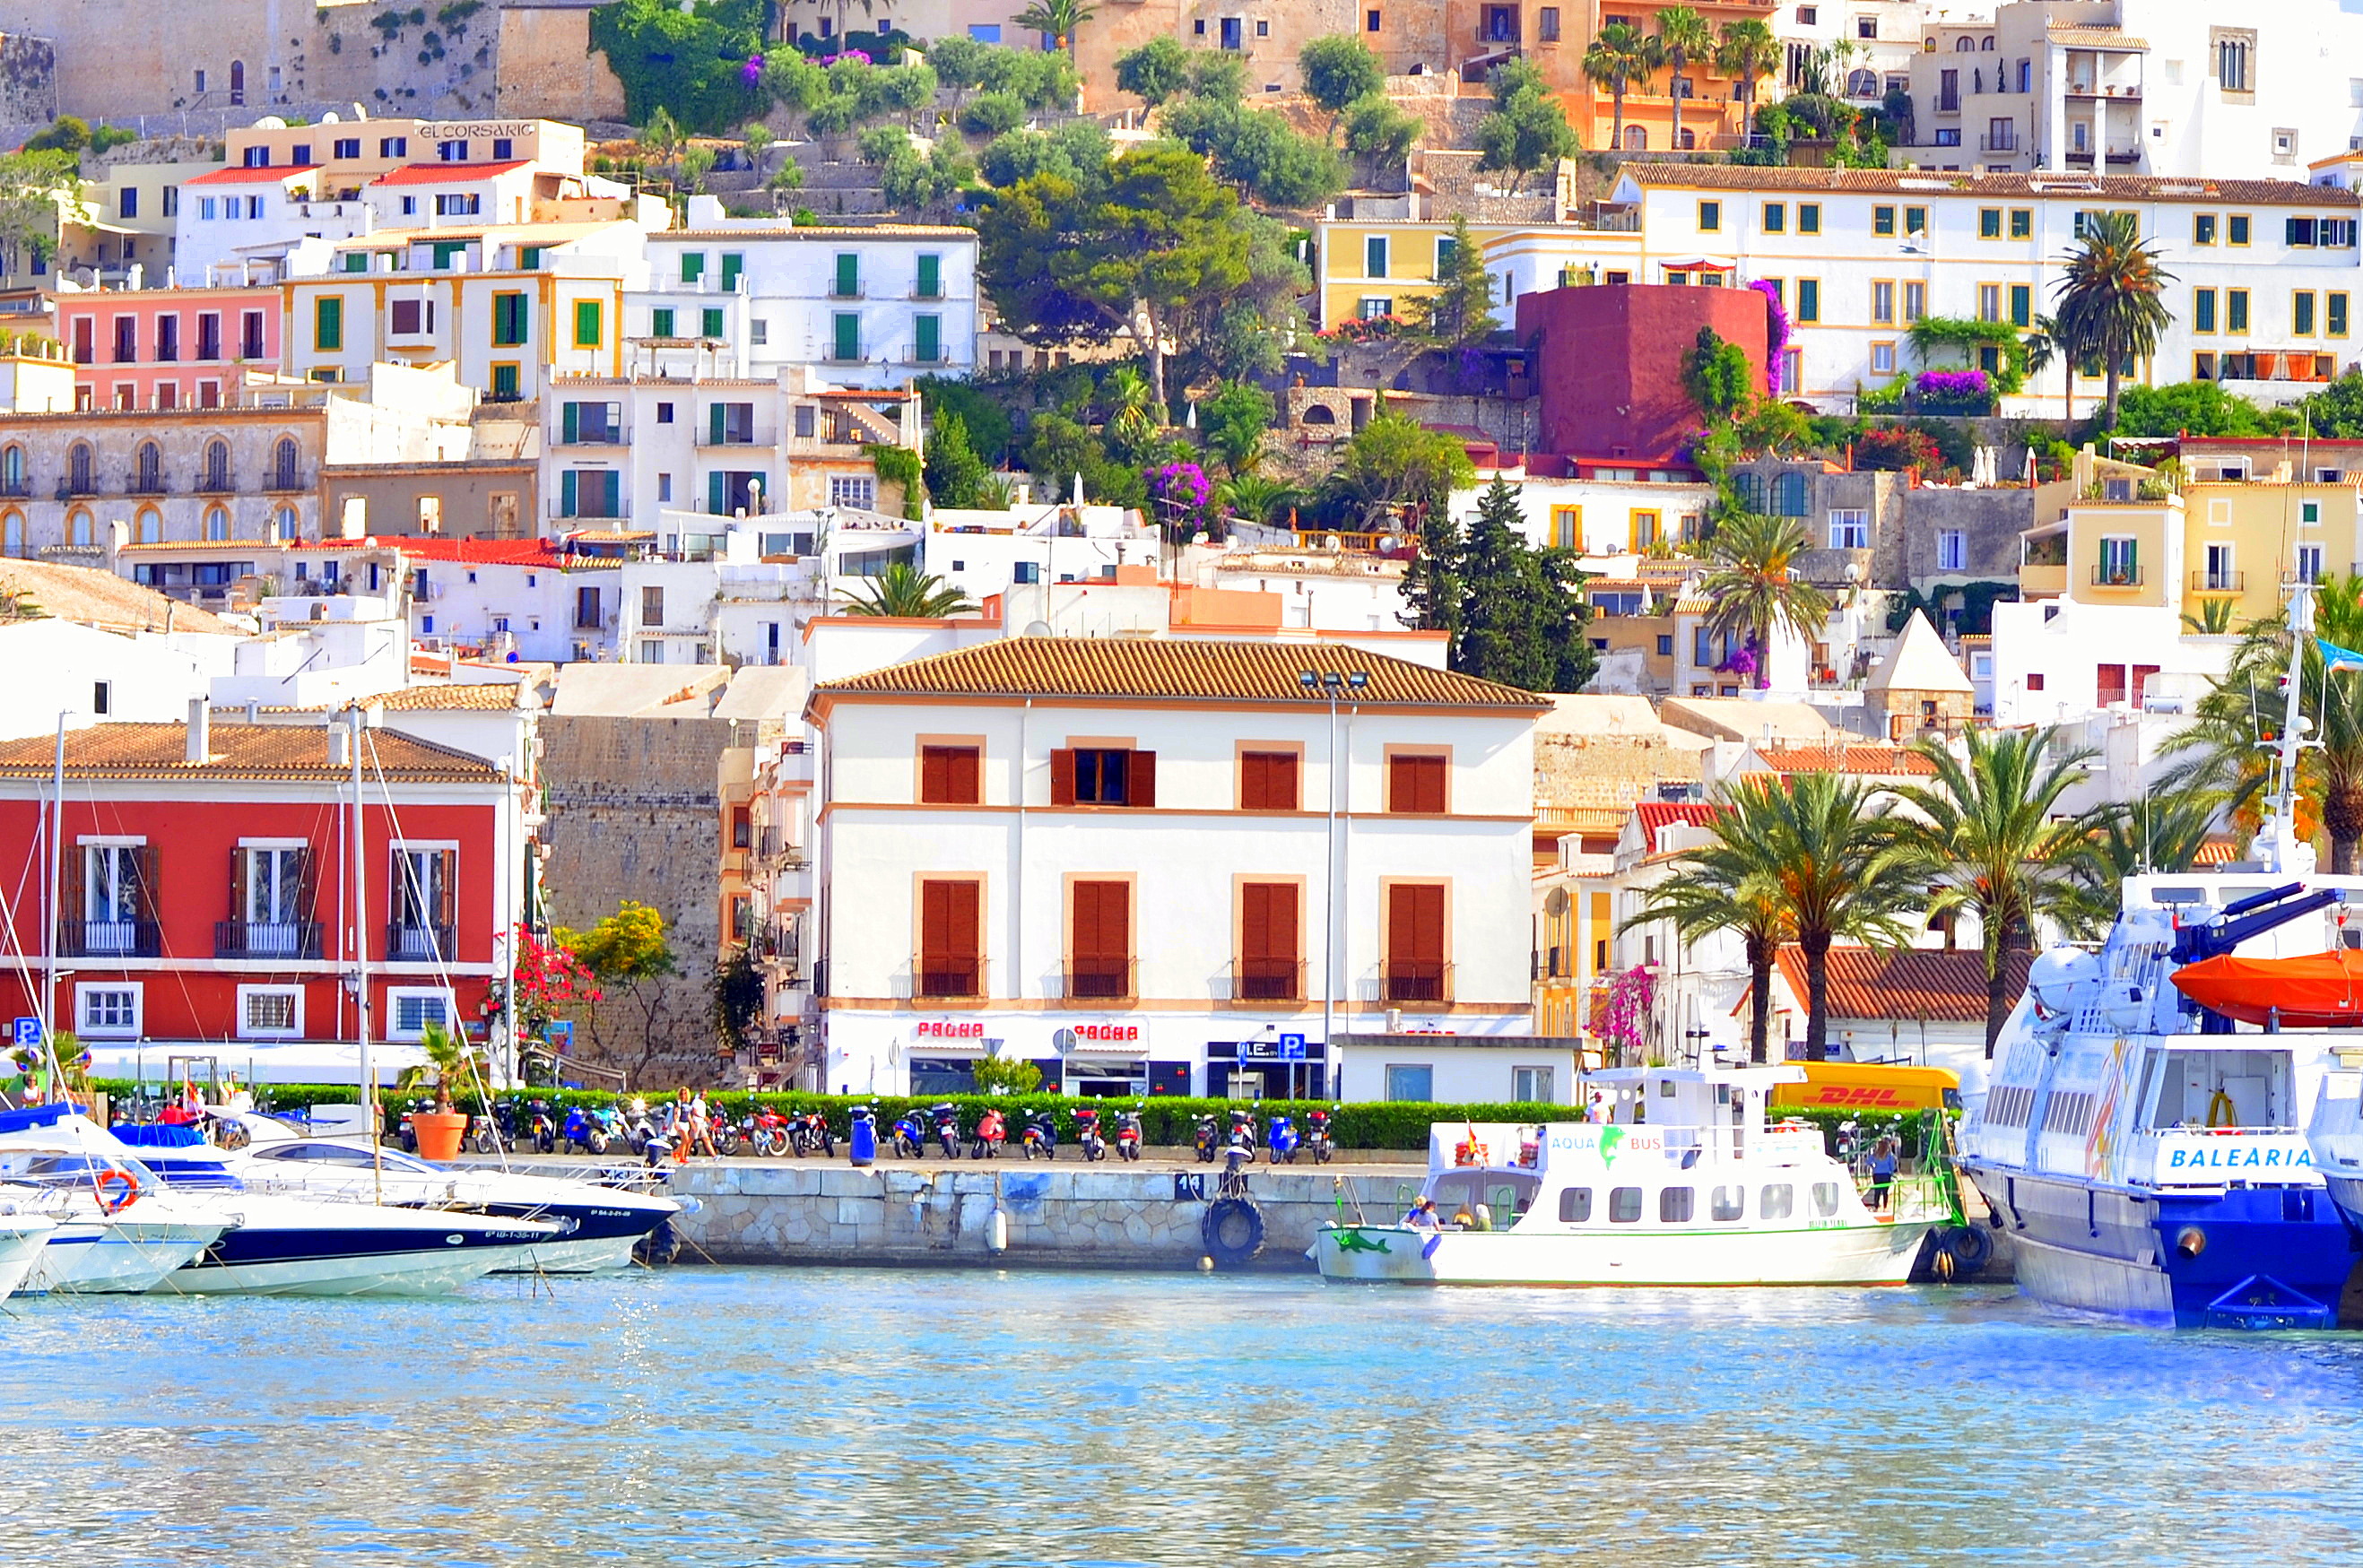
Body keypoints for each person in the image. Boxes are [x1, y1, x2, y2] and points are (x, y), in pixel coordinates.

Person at [1867, 1136, 1898, 1211]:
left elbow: (1868, 1161)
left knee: (1877, 1191)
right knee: (1885, 1192)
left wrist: (1873, 1166)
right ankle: (1885, 1207)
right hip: (1886, 1175)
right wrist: (1892, 1172)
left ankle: (1876, 1206)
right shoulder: (1889, 1156)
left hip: (1877, 1174)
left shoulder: (1875, 1154)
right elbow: (1892, 1167)